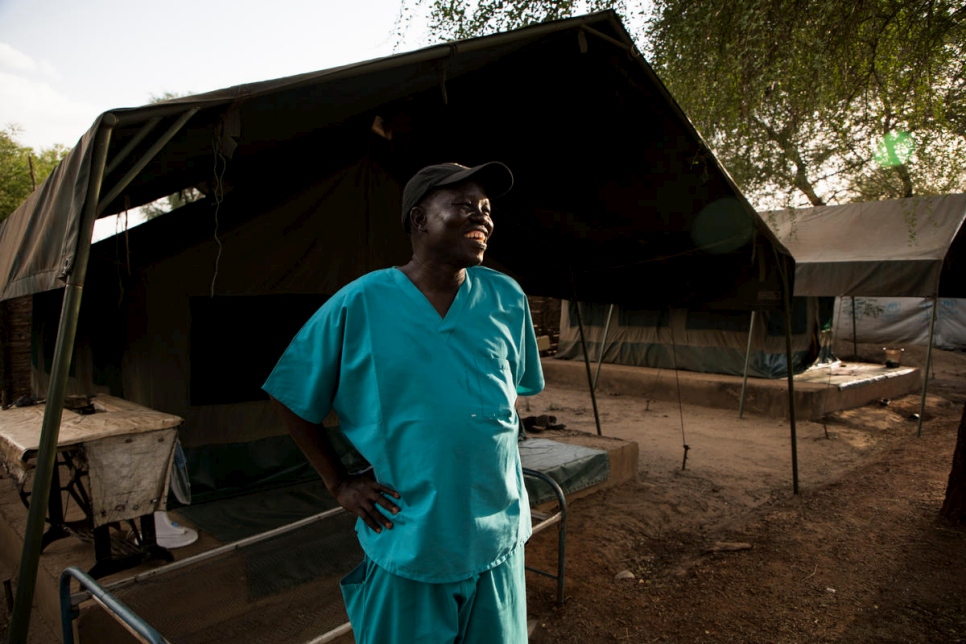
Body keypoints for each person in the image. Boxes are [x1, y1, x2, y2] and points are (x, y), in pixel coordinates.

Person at [263, 161, 545, 643]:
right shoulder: (361, 303)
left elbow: (509, 393)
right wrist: (339, 484)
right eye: (463, 206)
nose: (482, 218)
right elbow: (291, 395)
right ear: (419, 220)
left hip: (498, 537)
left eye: (486, 209)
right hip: (413, 538)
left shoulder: (507, 298)